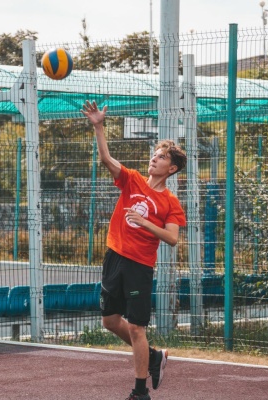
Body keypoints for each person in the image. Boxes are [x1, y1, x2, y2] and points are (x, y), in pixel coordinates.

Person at [81, 100, 187, 400]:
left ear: (172, 168)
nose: (154, 158)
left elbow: (172, 238)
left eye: (162, 157)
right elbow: (106, 159)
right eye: (155, 154)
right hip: (114, 256)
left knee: (138, 328)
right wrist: (99, 126)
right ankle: (153, 356)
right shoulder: (132, 180)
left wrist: (144, 222)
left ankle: (140, 392)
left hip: (139, 266)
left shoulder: (170, 202)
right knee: (110, 321)